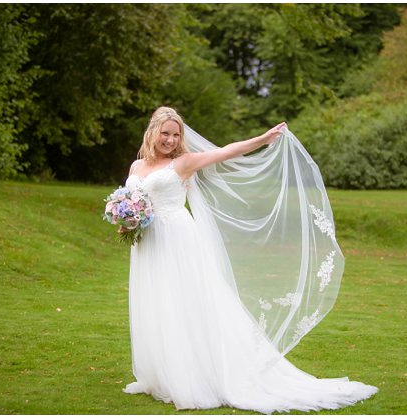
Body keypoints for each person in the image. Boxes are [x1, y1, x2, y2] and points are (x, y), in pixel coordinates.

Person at [122, 106, 378, 414]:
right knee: (156, 302)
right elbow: (131, 201)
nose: (171, 140)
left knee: (183, 303)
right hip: (147, 243)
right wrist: (125, 219)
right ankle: (160, 374)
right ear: (153, 132)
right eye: (165, 133)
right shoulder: (137, 168)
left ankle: (192, 377)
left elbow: (227, 152)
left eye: (176, 135)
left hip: (176, 239)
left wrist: (263, 138)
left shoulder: (184, 163)